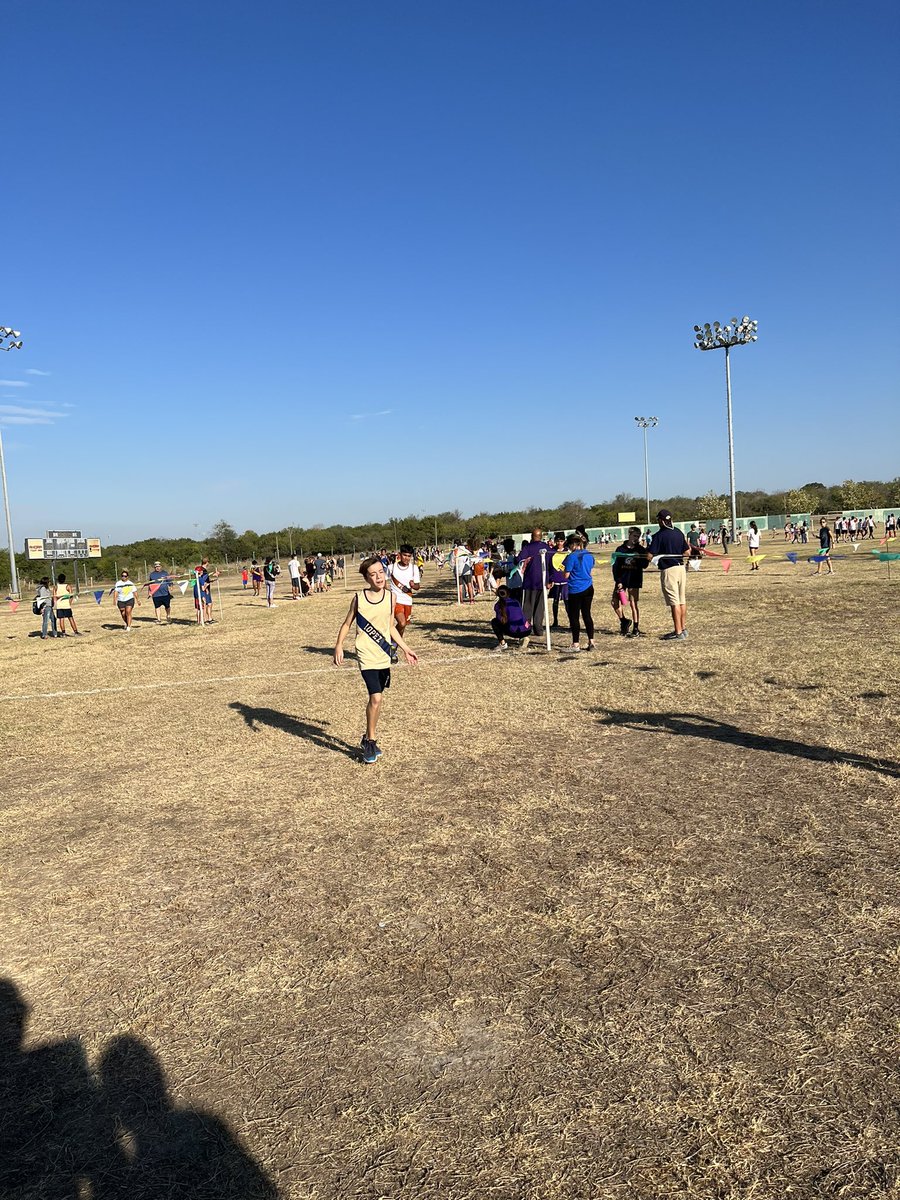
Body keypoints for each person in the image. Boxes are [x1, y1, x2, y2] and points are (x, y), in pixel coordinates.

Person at [333, 555, 418, 765]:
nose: (379, 577)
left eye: (381, 572)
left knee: (377, 700)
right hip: (365, 654)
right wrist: (338, 645)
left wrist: (406, 649)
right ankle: (371, 741)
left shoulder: (391, 598)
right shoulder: (358, 598)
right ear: (367, 578)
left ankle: (367, 735)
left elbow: (390, 628)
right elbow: (346, 624)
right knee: (376, 697)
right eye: (373, 574)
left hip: (383, 654)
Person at [647, 510, 689, 640]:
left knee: (674, 602)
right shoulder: (678, 532)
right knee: (682, 600)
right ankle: (682, 628)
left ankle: (677, 632)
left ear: (661, 520)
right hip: (681, 568)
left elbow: (649, 556)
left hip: (669, 570)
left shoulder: (659, 536)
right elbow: (687, 552)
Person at [561, 533, 595, 652]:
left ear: (572, 544)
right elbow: (591, 567)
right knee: (587, 615)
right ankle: (591, 641)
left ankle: (576, 644)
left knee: (574, 617)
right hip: (588, 587)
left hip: (575, 589)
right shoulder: (589, 555)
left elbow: (566, 575)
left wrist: (563, 568)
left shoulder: (572, 557)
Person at [388, 543, 421, 663]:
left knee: (403, 626)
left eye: (409, 556)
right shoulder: (391, 568)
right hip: (395, 601)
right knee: (401, 622)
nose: (407, 558)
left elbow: (417, 586)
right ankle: (392, 644)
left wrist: (414, 585)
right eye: (404, 555)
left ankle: (393, 646)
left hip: (408, 600)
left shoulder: (414, 568)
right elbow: (385, 582)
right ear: (399, 555)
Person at [611, 527, 646, 637]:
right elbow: (615, 566)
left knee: (633, 603)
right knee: (614, 602)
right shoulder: (620, 549)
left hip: (634, 579)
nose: (636, 538)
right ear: (629, 535)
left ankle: (636, 628)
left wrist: (639, 558)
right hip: (622, 580)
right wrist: (618, 581)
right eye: (634, 536)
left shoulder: (640, 549)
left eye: (638, 536)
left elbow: (645, 565)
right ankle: (624, 621)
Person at [517, 528, 551, 638]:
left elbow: (519, 560)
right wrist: (550, 580)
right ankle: (538, 628)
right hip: (542, 581)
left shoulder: (527, 548)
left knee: (528, 606)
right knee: (540, 606)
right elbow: (551, 564)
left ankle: (526, 628)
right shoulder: (546, 548)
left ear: (532, 537)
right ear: (541, 536)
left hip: (530, 582)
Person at [490, 584, 531, 651]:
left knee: (494, 622)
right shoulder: (516, 602)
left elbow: (500, 619)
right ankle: (523, 638)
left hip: (513, 631)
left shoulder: (498, 605)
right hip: (527, 629)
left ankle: (502, 644)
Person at [546, 532, 568, 629]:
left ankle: (571, 620)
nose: (559, 543)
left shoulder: (568, 552)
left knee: (567, 602)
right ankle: (555, 620)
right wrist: (549, 579)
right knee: (555, 602)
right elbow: (548, 567)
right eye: (558, 541)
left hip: (565, 580)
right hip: (555, 580)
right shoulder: (551, 552)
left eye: (561, 541)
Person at [193, 558, 216, 623]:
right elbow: (202, 582)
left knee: (202, 606)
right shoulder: (203, 571)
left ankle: (204, 620)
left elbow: (204, 580)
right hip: (204, 590)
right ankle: (208, 619)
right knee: (207, 604)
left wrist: (211, 580)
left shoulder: (201, 569)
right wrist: (206, 589)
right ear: (207, 562)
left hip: (202, 590)